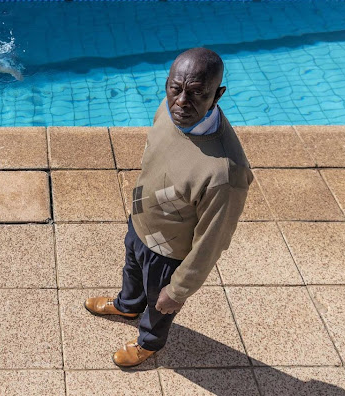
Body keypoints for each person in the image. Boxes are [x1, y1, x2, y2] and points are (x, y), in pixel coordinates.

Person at [85, 48, 253, 368]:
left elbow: (211, 243)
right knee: (132, 271)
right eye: (176, 89)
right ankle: (126, 305)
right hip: (140, 221)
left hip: (169, 253)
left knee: (160, 305)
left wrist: (178, 290)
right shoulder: (168, 108)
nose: (181, 102)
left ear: (217, 95)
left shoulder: (225, 173)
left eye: (196, 93)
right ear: (168, 84)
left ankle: (149, 343)